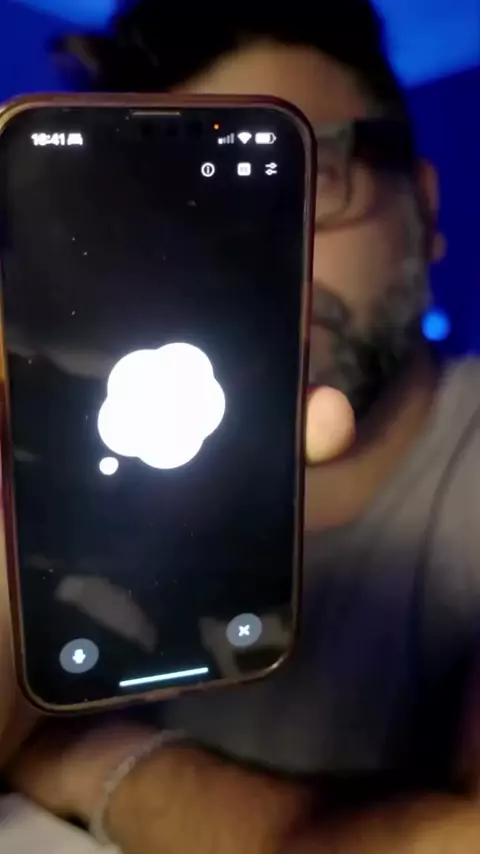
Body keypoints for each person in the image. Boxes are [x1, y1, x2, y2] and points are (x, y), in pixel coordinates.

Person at [2, 1, 480, 851]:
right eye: (192, 204)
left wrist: (87, 758)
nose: (257, 253)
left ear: (427, 205)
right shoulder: (62, 483)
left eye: (310, 173)